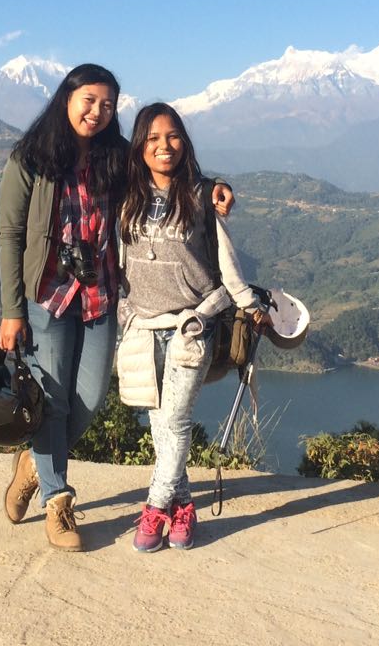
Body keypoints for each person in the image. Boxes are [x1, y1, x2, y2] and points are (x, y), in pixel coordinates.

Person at [0, 66, 232, 552]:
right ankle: (57, 499)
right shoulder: (31, 159)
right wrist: (11, 308)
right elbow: (10, 235)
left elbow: (165, 170)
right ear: (66, 98)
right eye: (88, 100)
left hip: (103, 295)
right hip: (48, 296)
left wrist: (212, 189)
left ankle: (32, 462)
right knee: (54, 397)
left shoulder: (114, 157)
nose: (96, 111)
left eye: (107, 104)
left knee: (88, 400)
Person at [115, 102, 269, 552]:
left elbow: (226, 264)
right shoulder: (126, 196)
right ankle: (185, 508)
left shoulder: (201, 196)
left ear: (186, 141)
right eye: (153, 138)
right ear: (139, 146)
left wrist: (249, 305)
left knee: (177, 422)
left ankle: (156, 506)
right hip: (142, 328)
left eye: (174, 136)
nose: (165, 146)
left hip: (192, 326)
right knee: (160, 426)